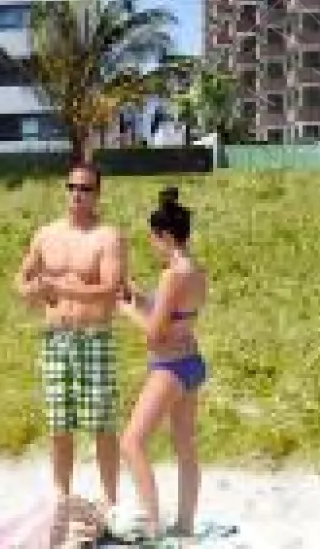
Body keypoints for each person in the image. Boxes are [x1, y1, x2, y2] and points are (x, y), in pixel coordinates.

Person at [12, 162, 127, 519]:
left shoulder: (107, 237)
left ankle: (110, 501)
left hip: (94, 336)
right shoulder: (45, 235)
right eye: (72, 187)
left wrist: (59, 287)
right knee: (59, 422)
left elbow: (110, 289)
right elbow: (21, 279)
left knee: (102, 422)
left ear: (98, 194)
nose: (77, 194)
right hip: (55, 337)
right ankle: (61, 496)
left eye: (85, 189)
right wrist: (33, 290)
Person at [115, 186, 208, 541]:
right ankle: (184, 526)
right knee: (185, 447)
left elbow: (155, 334)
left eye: (154, 239)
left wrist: (125, 310)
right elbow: (173, 313)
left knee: (131, 442)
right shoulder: (195, 270)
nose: (153, 246)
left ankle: (153, 525)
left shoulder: (173, 274)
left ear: (166, 236)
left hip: (170, 366)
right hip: (191, 362)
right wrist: (138, 297)